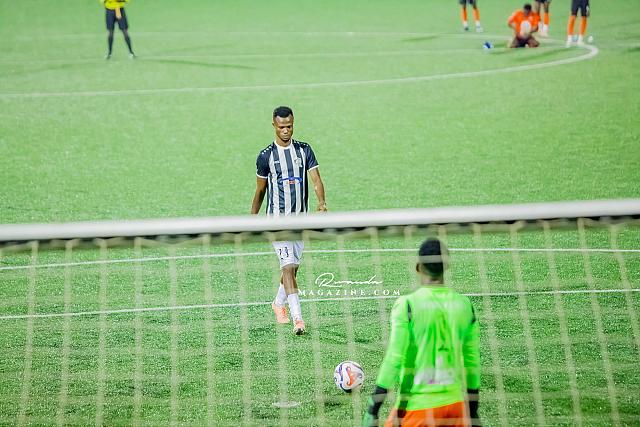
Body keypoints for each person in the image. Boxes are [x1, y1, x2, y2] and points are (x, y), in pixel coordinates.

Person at [363, 238, 481, 427]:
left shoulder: (407, 305)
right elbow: (471, 362)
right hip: (456, 407)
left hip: (417, 408)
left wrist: (373, 408)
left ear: (418, 267)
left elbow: (394, 358)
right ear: (447, 266)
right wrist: (473, 412)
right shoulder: (465, 305)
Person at [251, 106, 327, 335]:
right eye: (282, 127)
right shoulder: (266, 156)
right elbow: (260, 190)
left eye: (289, 126)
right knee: (287, 267)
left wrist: (322, 203)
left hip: (300, 222)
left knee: (292, 269)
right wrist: (252, 218)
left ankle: (277, 303)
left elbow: (316, 179)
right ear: (274, 126)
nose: (286, 130)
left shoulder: (304, 150)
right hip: (276, 222)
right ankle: (298, 319)